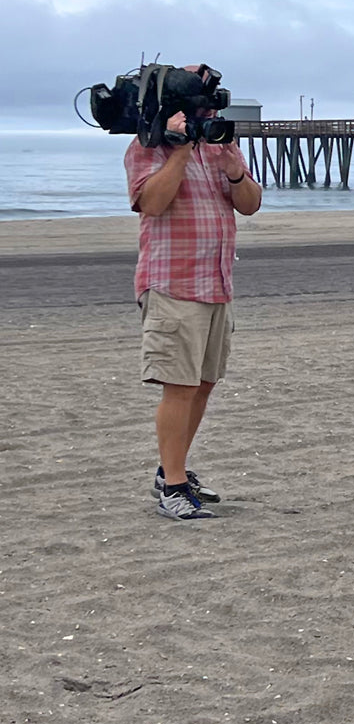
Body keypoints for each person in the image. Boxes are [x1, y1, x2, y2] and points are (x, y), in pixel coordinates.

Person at [125, 100, 263, 520]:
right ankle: (174, 487)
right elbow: (151, 202)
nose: (208, 119)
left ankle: (172, 470)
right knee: (179, 386)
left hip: (216, 284)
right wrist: (181, 150)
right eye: (199, 111)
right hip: (173, 282)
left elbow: (250, 203)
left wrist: (234, 171)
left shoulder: (220, 146)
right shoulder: (149, 146)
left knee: (203, 383)